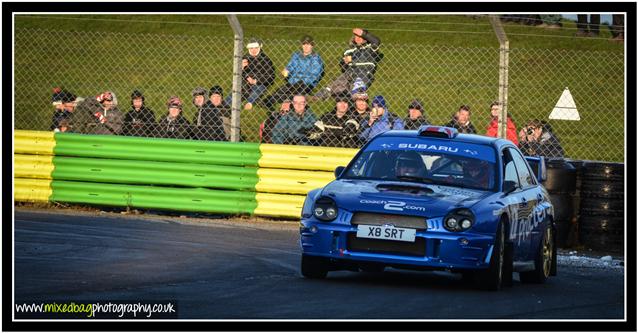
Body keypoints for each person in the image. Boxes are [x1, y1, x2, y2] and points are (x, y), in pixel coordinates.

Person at [313, 28, 382, 100]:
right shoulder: (348, 50)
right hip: (350, 72)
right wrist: (345, 63)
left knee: (357, 85)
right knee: (338, 81)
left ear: (365, 38)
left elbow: (376, 41)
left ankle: (356, 93)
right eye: (356, 36)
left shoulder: (370, 48)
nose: (358, 38)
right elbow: (342, 67)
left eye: (360, 37)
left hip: (364, 72)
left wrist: (363, 33)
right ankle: (323, 94)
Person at [262, 35, 324, 111]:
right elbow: (291, 65)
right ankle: (268, 101)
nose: (306, 46)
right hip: (293, 80)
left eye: (308, 44)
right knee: (283, 89)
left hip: (306, 83)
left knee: (295, 92)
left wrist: (302, 80)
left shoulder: (315, 58)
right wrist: (287, 70)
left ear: (312, 45)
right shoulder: (297, 55)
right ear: (301, 45)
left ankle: (288, 103)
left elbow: (314, 75)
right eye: (304, 44)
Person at [225, 38, 275, 111]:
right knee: (237, 92)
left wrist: (256, 81)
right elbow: (237, 75)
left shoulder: (266, 60)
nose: (253, 50)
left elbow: (270, 77)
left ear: (259, 48)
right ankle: (225, 105)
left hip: (260, 83)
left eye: (256, 48)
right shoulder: (245, 58)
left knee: (257, 90)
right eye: (251, 48)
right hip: (246, 83)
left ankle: (250, 102)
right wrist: (241, 68)